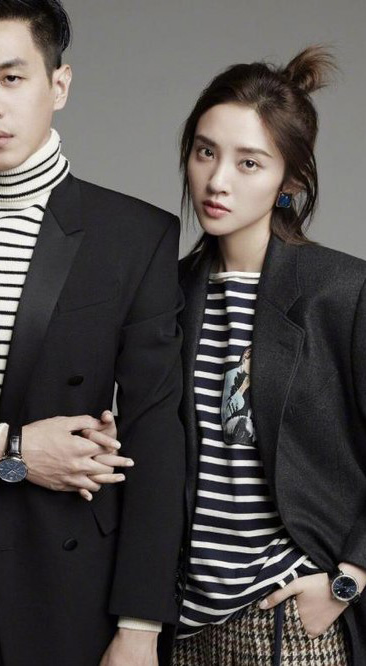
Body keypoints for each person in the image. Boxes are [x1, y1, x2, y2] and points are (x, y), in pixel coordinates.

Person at [0, 1, 185, 664]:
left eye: (12, 77)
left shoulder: (137, 236)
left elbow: (157, 438)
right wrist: (10, 449)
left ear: (60, 83)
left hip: (72, 587)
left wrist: (141, 624)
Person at [170, 46, 366, 665]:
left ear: (291, 181)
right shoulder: (167, 293)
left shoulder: (342, 291)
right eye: (205, 152)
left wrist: (348, 579)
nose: (217, 180)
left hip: (287, 619)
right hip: (182, 620)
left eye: (249, 162)